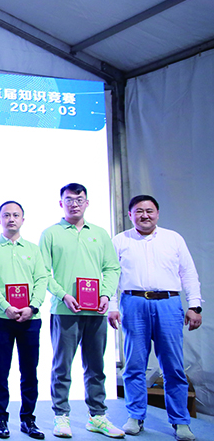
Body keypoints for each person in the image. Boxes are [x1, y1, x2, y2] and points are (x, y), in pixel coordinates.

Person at [108, 195, 202, 441]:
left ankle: (180, 421)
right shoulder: (120, 240)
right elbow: (111, 275)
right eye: (139, 211)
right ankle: (135, 416)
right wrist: (112, 306)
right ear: (130, 215)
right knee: (134, 364)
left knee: (173, 365)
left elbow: (188, 273)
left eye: (149, 210)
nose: (145, 215)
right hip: (133, 303)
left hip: (168, 303)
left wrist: (195, 306)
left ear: (157, 213)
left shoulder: (173, 239)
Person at [40, 183, 123, 439]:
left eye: (79, 199)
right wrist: (63, 295)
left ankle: (97, 416)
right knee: (62, 366)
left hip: (96, 312)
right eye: (69, 199)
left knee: (96, 366)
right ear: (60, 203)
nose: (74, 203)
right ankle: (61, 416)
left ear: (87, 203)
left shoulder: (99, 233)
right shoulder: (51, 234)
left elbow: (112, 268)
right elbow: (42, 272)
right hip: (64, 311)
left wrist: (105, 294)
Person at [0, 202, 47, 440]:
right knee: (1, 370)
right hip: (2, 318)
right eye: (6, 215)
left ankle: (28, 419)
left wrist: (33, 307)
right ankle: (1, 419)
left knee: (29, 371)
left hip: (31, 318)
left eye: (16, 215)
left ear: (23, 219)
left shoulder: (33, 249)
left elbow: (41, 279)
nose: (11, 219)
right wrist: (6, 306)